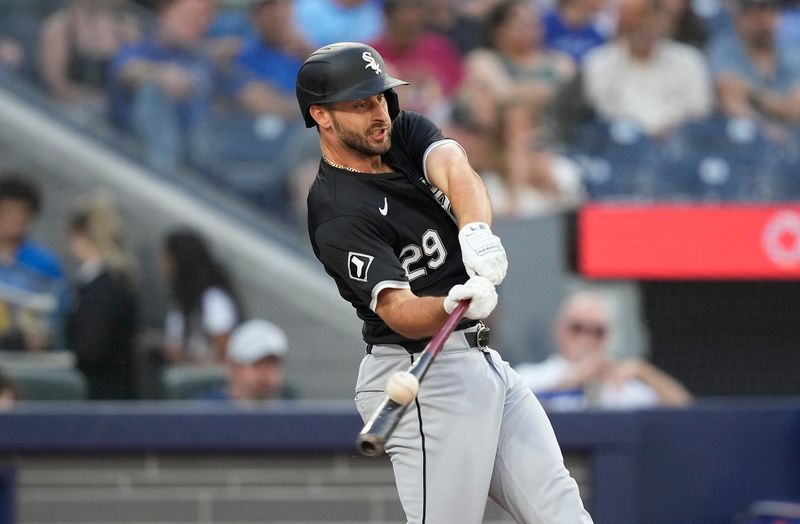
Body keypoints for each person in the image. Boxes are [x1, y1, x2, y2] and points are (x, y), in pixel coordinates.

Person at [296, 42, 593, 523]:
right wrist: (448, 302)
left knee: (563, 514)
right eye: (360, 104)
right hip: (421, 375)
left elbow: (456, 168)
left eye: (380, 97)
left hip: (479, 361)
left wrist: (475, 230)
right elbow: (397, 311)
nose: (379, 113)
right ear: (322, 116)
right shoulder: (336, 211)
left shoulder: (400, 132)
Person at [515, 290, 693, 411]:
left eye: (597, 331)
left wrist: (642, 370)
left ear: (607, 336)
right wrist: (573, 379)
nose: (587, 338)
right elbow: (510, 406)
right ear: (560, 330)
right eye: (577, 328)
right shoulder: (533, 375)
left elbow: (684, 408)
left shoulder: (620, 385)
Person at [108, 0, 218, 172]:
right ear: (165, 13)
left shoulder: (200, 58)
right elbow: (126, 71)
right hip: (136, 149)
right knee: (152, 90)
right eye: (189, 17)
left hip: (194, 153)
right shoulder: (140, 47)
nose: (198, 23)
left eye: (204, 18)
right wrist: (161, 75)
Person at [582, 0, 713, 138]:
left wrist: (671, 129)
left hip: (678, 146)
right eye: (636, 23)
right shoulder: (599, 62)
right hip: (618, 146)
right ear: (624, 26)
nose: (643, 30)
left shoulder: (689, 60)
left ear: (663, 23)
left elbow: (700, 113)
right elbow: (593, 114)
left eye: (650, 22)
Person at [65, 193, 139, 400]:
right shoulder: (118, 280)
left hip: (99, 398)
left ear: (79, 235)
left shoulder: (102, 288)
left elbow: (90, 349)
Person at [707, 0, 800, 135]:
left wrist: (752, 94)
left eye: (770, 13)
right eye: (756, 15)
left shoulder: (791, 52)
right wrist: (767, 129)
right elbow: (731, 101)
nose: (764, 23)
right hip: (744, 140)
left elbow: (795, 108)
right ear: (739, 18)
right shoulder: (724, 50)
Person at [38, 0, 141, 121]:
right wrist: (92, 101)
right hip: (66, 112)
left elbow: (133, 78)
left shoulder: (127, 28)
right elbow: (56, 84)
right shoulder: (60, 26)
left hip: (113, 115)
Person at [0, 172, 68, 353]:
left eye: (22, 211)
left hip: (31, 359)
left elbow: (61, 313)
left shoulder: (46, 264)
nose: (14, 219)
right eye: (7, 211)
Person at [371, 0, 465, 123]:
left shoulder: (439, 48)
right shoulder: (370, 54)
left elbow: (459, 90)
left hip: (439, 123)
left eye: (416, 23)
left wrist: (435, 87)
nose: (411, 28)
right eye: (404, 26)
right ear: (389, 18)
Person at [161, 228, 241, 364]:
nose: (163, 266)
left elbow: (225, 353)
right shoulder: (180, 301)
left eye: (168, 260)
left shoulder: (213, 300)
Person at [196, 319, 294, 402]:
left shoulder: (293, 412)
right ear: (233, 367)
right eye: (257, 365)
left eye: (272, 366)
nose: (265, 375)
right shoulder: (201, 412)